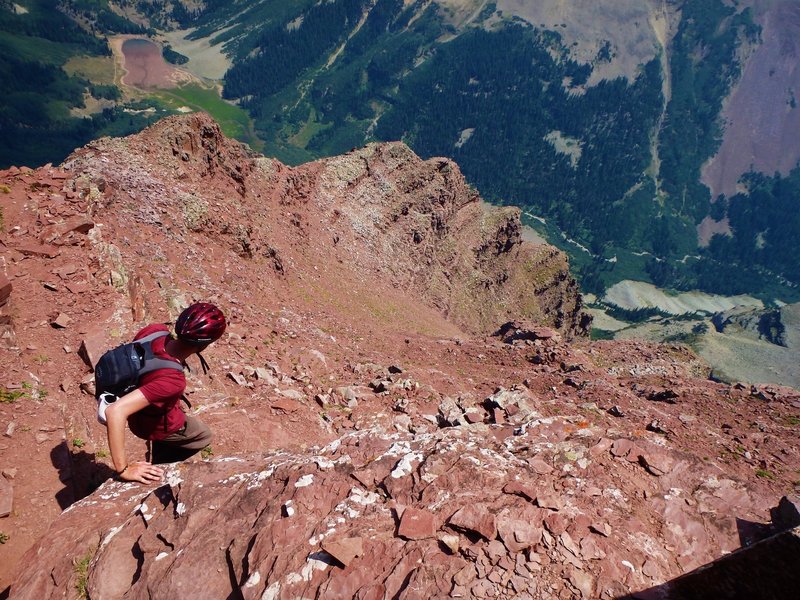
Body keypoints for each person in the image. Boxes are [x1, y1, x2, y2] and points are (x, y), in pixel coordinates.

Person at [105, 302, 226, 484]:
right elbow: (115, 411)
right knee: (203, 436)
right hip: (153, 424)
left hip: (138, 403)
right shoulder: (172, 381)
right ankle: (161, 465)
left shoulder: (154, 331)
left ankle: (161, 455)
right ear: (204, 345)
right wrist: (124, 469)